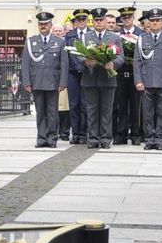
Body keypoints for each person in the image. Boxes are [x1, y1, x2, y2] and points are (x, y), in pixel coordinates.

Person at [76, 8, 123, 149]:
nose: (98, 22)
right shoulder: (86, 37)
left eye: (101, 20)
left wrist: (113, 64)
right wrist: (85, 62)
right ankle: (93, 138)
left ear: (105, 21)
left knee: (107, 111)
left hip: (107, 79)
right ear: (93, 21)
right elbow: (78, 54)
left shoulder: (114, 37)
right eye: (96, 20)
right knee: (91, 110)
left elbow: (121, 56)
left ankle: (105, 139)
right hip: (90, 79)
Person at [20, 11, 66, 148]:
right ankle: (41, 138)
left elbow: (64, 64)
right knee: (40, 112)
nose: (43, 26)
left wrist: (63, 82)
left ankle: (52, 138)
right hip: (37, 82)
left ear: (50, 25)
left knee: (52, 112)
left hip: (53, 82)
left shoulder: (59, 42)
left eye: (45, 24)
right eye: (40, 24)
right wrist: (27, 82)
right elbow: (25, 63)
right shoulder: (31, 42)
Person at [134, 8, 162, 150]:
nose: (154, 23)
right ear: (148, 22)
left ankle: (159, 139)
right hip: (146, 82)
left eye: (157, 20)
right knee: (147, 113)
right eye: (152, 20)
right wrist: (138, 80)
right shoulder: (142, 39)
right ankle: (149, 139)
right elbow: (137, 62)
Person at [113, 6, 143, 145]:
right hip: (120, 74)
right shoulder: (116, 35)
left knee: (136, 106)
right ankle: (121, 134)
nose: (126, 19)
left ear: (133, 18)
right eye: (124, 17)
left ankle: (135, 134)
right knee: (121, 106)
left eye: (129, 17)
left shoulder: (141, 34)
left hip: (135, 75)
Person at [63, 9, 90, 144]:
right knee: (74, 105)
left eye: (83, 19)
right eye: (79, 19)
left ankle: (84, 133)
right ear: (75, 21)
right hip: (72, 74)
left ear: (87, 20)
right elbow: (66, 57)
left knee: (85, 105)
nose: (81, 22)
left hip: (87, 74)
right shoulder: (69, 36)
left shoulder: (91, 34)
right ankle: (75, 134)